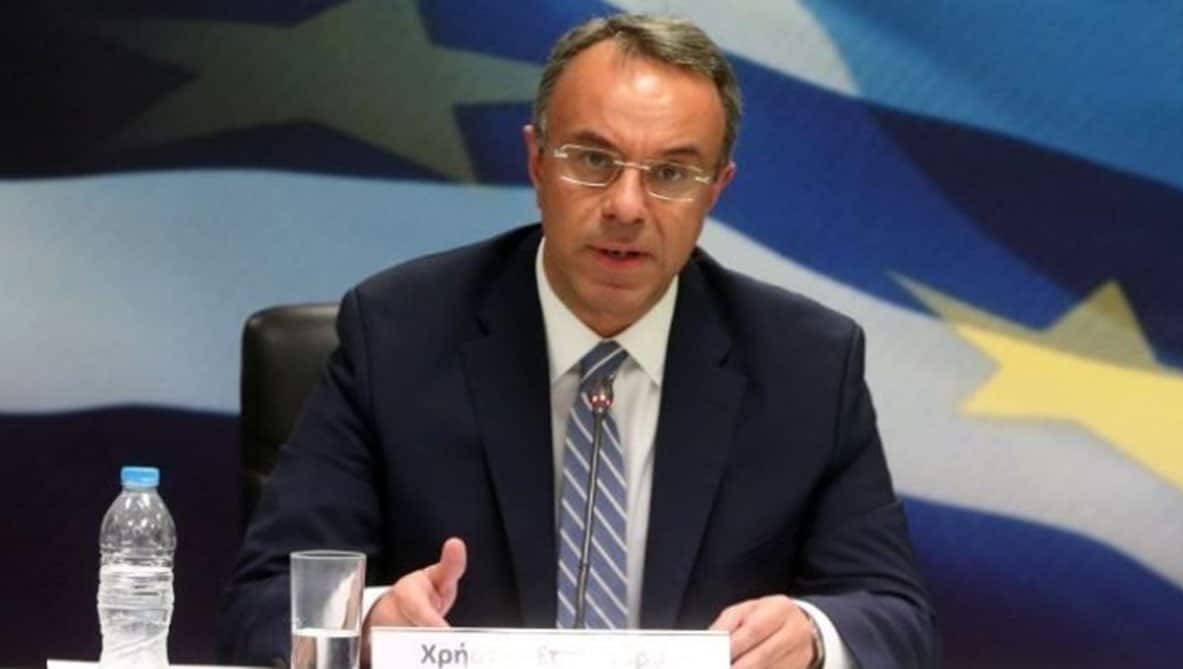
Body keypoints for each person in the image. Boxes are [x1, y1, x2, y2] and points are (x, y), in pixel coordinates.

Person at [219, 13, 937, 669]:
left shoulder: (807, 365)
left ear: (715, 189)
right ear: (537, 161)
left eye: (670, 173)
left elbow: (895, 616)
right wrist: (372, 621)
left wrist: (811, 632)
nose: (626, 206)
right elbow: (263, 602)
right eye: (593, 160)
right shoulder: (398, 334)